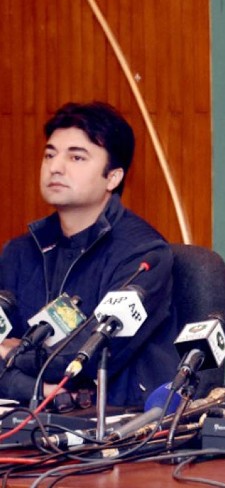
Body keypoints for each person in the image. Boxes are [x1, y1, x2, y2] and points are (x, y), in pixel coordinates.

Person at [0, 102, 178, 408]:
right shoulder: (19, 252)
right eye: (50, 154)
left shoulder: (143, 256)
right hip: (26, 418)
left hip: (111, 428)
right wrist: (41, 393)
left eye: (76, 157)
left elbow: (88, 357)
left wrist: (11, 354)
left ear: (113, 177)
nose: (56, 167)